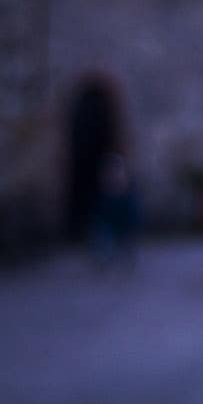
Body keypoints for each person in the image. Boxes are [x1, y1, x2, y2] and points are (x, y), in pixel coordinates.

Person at [66, 75, 139, 267]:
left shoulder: (124, 195)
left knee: (114, 240)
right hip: (107, 227)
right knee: (103, 238)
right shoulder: (105, 195)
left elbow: (130, 213)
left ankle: (116, 254)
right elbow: (101, 213)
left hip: (118, 228)